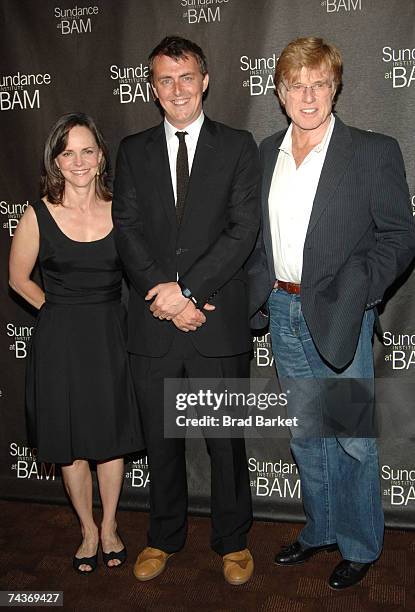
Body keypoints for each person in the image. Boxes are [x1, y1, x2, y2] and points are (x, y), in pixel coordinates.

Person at [248, 37, 415, 589]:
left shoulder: (372, 151)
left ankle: (362, 543)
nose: (309, 95)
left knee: (350, 436)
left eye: (319, 83)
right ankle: (320, 530)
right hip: (282, 308)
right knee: (306, 434)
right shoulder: (266, 151)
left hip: (340, 314)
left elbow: (398, 235)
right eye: (297, 85)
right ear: (279, 92)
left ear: (336, 87)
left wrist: (361, 289)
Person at [112, 36, 260, 585]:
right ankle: (163, 536)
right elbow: (126, 232)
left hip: (215, 322)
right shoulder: (132, 150)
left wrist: (189, 294)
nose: (177, 89)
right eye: (164, 79)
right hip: (153, 324)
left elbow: (243, 231)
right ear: (153, 88)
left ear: (205, 80)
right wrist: (166, 297)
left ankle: (233, 540)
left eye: (186, 76)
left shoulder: (239, 146)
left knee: (225, 443)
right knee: (161, 443)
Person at [9, 113, 144, 574]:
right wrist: (54, 308)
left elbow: (145, 270)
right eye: (68, 152)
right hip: (60, 342)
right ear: (56, 161)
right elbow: (17, 278)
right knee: (70, 444)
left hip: (110, 337)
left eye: (88, 150)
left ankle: (110, 526)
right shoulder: (38, 213)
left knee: (109, 442)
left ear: (101, 156)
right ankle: (87, 528)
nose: (79, 161)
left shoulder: (121, 210)